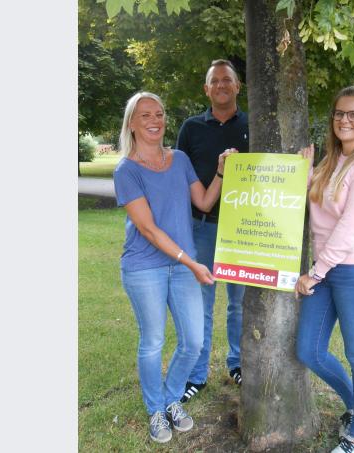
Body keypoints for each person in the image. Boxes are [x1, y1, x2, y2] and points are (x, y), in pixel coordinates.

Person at [113, 91, 236, 444]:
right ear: (132, 124)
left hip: (183, 267)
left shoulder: (179, 159)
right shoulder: (127, 170)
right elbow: (149, 229)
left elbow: (204, 201)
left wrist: (221, 173)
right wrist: (192, 262)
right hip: (145, 268)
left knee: (194, 341)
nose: (155, 121)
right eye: (145, 115)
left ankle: (171, 398)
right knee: (152, 341)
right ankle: (156, 409)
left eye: (160, 114)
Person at [294, 86, 354, 453]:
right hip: (327, 269)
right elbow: (318, 205)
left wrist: (315, 272)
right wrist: (303, 176)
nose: (345, 120)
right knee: (309, 350)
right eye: (339, 113)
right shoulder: (331, 161)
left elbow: (350, 227)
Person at [175, 59, 250, 402]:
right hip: (201, 228)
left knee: (239, 302)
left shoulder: (253, 124)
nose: (221, 85)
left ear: (238, 86)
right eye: (214, 81)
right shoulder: (190, 128)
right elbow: (179, 180)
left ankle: (237, 364)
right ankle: (197, 374)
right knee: (201, 303)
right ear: (206, 89)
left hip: (242, 231)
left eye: (227, 80)